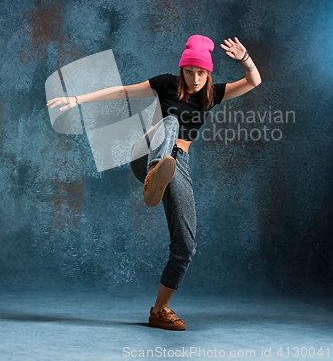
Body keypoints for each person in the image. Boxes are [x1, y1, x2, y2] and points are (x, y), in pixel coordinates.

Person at [46, 34, 262, 331]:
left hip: (177, 164)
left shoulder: (212, 94)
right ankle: (153, 173)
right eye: (189, 72)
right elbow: (123, 92)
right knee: (171, 123)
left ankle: (159, 310)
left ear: (208, 72)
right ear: (181, 70)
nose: (195, 78)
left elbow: (253, 82)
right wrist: (76, 99)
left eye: (201, 72)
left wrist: (245, 59)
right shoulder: (166, 83)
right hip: (146, 153)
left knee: (186, 245)